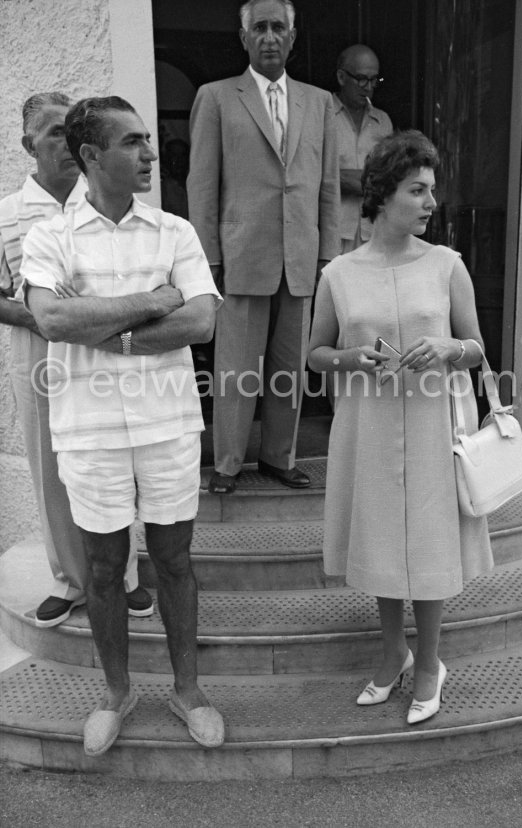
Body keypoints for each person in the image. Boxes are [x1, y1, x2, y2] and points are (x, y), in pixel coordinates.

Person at [22, 96, 224, 755]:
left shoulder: (174, 231)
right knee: (105, 569)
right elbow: (51, 321)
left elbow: (200, 323)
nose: (149, 153)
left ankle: (188, 690)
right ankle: (117, 693)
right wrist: (152, 301)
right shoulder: (51, 236)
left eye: (147, 141)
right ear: (90, 157)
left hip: (168, 422)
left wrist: (107, 326)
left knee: (174, 560)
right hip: (88, 428)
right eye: (133, 142)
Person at [308, 130, 494, 725]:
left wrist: (447, 347)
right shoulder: (338, 272)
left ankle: (432, 661)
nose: (430, 202)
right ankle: (394, 652)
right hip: (367, 422)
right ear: (383, 194)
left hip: (431, 422)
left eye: (432, 190)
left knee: (431, 540)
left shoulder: (447, 266)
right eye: (418, 190)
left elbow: (478, 349)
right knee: (383, 538)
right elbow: (315, 353)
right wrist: (348, 357)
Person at [0, 92, 152, 627]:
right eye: (53, 134)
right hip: (39, 354)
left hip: (105, 353)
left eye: (72, 132)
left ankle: (125, 576)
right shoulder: (7, 216)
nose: (67, 143)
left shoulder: (104, 206)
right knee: (51, 469)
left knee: (113, 459)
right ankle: (70, 580)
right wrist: (42, 315)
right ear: (28, 146)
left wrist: (89, 317)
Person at [187, 0, 340, 495]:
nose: (270, 36)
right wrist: (208, 258)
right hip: (239, 256)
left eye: (279, 28)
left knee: (289, 366)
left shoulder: (318, 103)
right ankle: (228, 464)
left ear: (293, 38)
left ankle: (280, 457)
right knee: (235, 368)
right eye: (260, 28)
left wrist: (327, 256)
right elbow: (201, 185)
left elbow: (329, 187)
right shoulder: (216, 97)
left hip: (300, 256)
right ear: (244, 37)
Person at [334, 44, 392, 253]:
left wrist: (342, 177)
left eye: (374, 80)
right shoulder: (322, 115)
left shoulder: (383, 121)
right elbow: (314, 174)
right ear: (341, 77)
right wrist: (369, 181)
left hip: (373, 231)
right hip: (333, 233)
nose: (368, 87)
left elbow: (390, 178)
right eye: (361, 79)